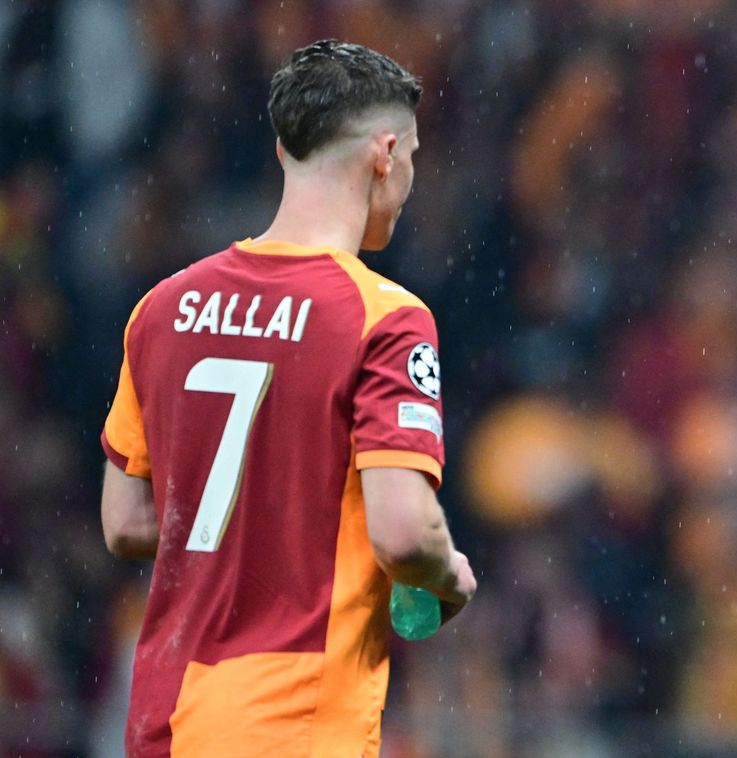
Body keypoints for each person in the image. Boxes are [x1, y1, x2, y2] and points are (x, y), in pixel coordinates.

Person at [99, 40, 476, 757]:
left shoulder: (162, 308)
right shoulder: (385, 319)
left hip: (165, 720)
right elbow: (404, 533)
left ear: (283, 151)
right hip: (291, 723)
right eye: (413, 157)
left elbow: (126, 522)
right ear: (385, 154)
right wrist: (445, 572)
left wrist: (261, 533)